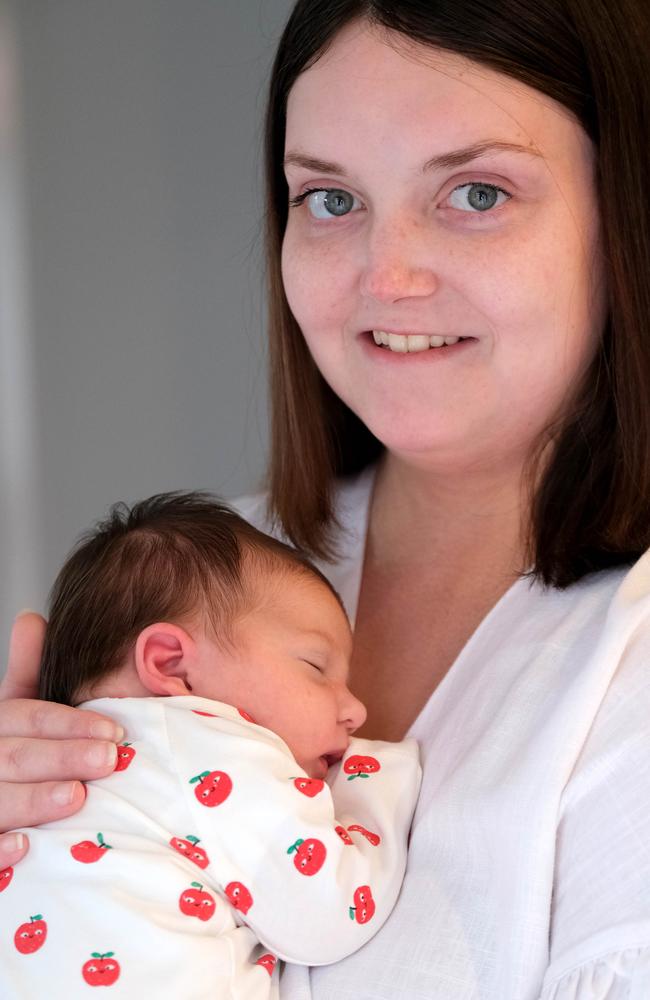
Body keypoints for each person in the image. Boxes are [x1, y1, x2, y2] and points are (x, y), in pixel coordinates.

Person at [1, 0, 650, 996]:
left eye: (476, 192)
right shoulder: (196, 577)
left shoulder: (622, 651)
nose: (383, 278)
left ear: (624, 208)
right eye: (330, 199)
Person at [0, 492, 420, 998]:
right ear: (171, 665)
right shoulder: (208, 745)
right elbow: (328, 915)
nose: (356, 710)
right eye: (314, 667)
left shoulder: (54, 774)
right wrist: (377, 777)